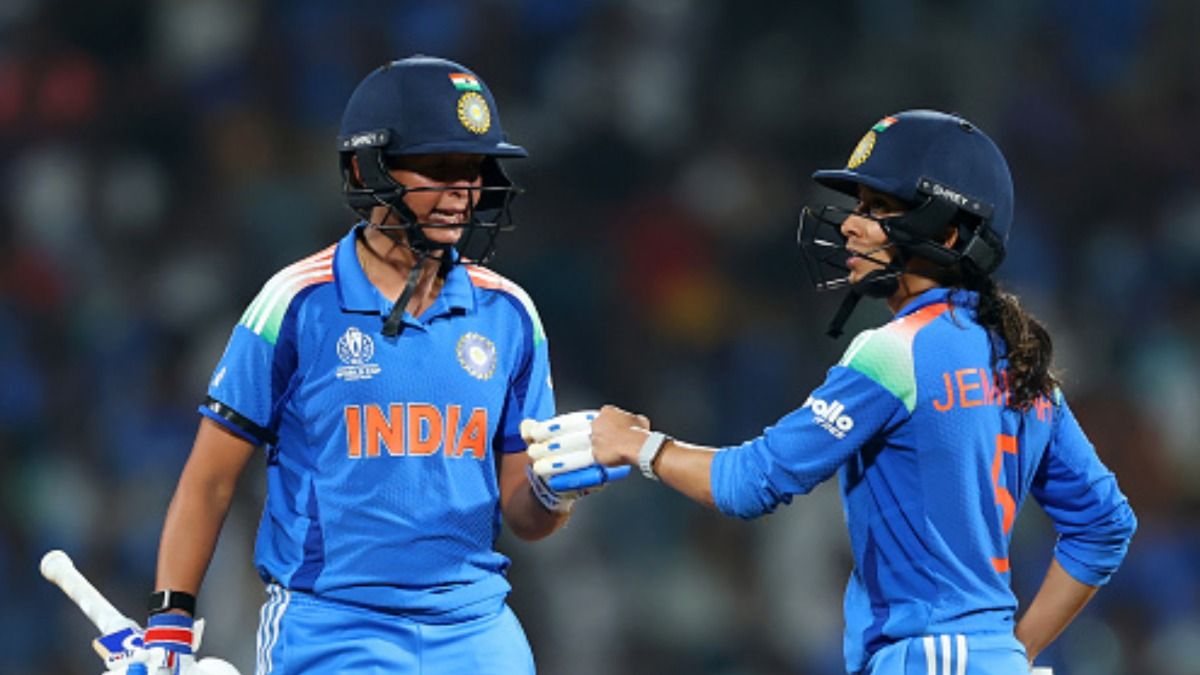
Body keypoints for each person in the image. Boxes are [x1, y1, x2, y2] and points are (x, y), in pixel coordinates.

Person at [589, 110, 1137, 674]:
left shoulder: (895, 350)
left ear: (947, 233)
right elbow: (1104, 525)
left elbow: (749, 482)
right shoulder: (1023, 361)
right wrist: (1013, 652)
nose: (852, 225)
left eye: (878, 210)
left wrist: (640, 446)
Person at [142, 56, 597, 674]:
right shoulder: (296, 302)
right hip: (332, 629)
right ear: (366, 167)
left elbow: (524, 515)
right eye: (438, 167)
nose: (463, 190)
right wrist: (169, 621)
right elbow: (210, 479)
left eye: (474, 168)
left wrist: (552, 490)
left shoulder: (509, 314)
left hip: (477, 633)